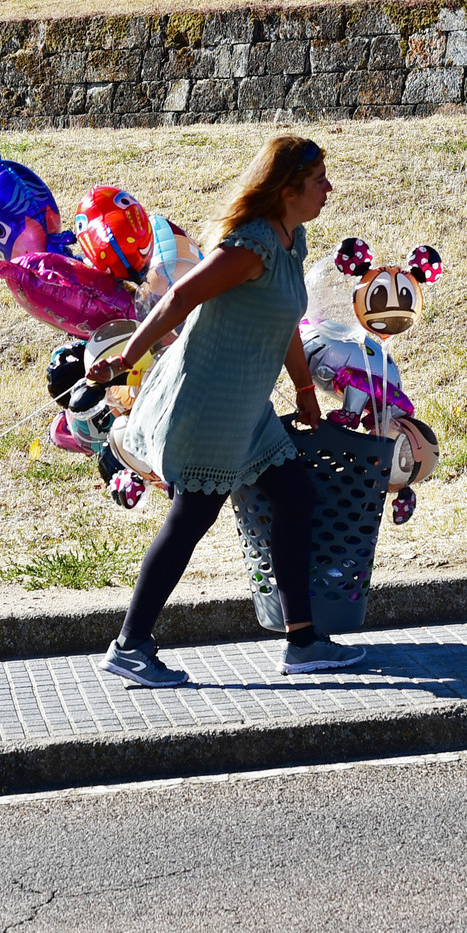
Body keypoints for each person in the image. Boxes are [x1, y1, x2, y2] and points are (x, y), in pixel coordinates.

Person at [85, 135, 366, 687]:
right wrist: (127, 357)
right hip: (208, 406)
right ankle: (130, 644)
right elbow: (178, 299)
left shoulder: (290, 239)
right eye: (318, 182)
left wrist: (305, 392)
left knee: (294, 494)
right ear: (287, 191)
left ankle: (302, 641)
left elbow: (285, 316)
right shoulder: (250, 245)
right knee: (191, 518)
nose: (327, 189)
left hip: (245, 408)